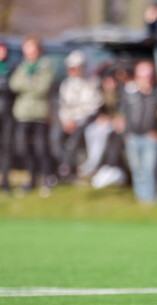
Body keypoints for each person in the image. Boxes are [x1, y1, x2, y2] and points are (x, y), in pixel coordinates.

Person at [9, 36, 56, 195]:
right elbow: (14, 84)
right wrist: (31, 83)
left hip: (39, 114)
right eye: (27, 48)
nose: (29, 52)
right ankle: (31, 179)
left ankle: (46, 179)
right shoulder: (22, 66)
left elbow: (42, 87)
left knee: (41, 148)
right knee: (25, 147)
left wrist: (27, 85)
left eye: (32, 48)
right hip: (23, 113)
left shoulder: (45, 65)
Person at [54, 50, 103, 180]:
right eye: (71, 68)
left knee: (74, 140)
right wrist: (66, 120)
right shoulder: (66, 84)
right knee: (56, 137)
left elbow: (91, 107)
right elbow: (63, 105)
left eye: (76, 68)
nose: (73, 71)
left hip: (84, 120)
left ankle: (68, 168)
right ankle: (63, 166)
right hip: (68, 120)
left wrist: (76, 120)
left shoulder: (91, 83)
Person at [119, 60, 157, 204]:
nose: (146, 79)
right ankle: (140, 198)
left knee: (149, 168)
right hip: (133, 137)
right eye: (142, 76)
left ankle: (150, 199)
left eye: (148, 76)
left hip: (150, 137)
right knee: (137, 169)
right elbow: (123, 114)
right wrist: (126, 132)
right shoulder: (129, 93)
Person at [0, 42, 14, 192]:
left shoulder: (12, 68)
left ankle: (5, 181)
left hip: (7, 115)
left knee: (6, 148)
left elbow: (16, 87)